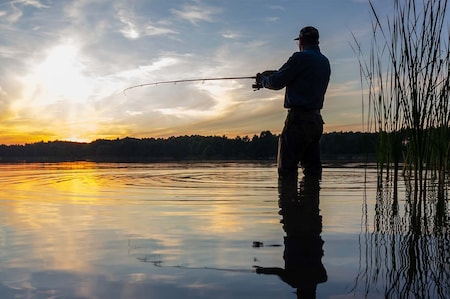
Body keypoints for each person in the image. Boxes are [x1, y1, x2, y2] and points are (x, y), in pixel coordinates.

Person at [255, 26, 331, 178]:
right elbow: (300, 76)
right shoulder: (324, 62)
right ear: (317, 41)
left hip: (298, 121)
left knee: (287, 171)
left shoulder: (299, 58)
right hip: (316, 121)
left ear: (301, 41)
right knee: (312, 172)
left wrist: (263, 80)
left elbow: (276, 82)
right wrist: (277, 73)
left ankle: (288, 199)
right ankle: (311, 199)